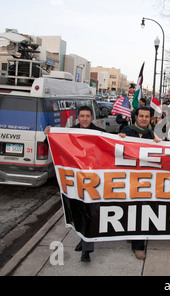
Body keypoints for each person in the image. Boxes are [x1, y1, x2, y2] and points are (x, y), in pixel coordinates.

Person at [44, 105, 105, 262]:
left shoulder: (98, 133)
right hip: (76, 182)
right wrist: (48, 134)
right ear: (78, 117)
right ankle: (82, 239)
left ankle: (86, 249)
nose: (85, 119)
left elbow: (114, 146)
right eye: (82, 116)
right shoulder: (70, 132)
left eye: (87, 116)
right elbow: (50, 143)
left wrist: (121, 137)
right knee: (79, 212)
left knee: (90, 212)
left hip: (94, 182)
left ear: (92, 117)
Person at [118, 106, 161, 259]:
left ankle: (138, 245)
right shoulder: (126, 131)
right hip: (127, 178)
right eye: (141, 116)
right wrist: (118, 138)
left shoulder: (154, 134)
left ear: (151, 118)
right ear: (136, 117)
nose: (144, 119)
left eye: (146, 116)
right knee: (129, 208)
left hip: (146, 180)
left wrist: (161, 144)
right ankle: (131, 233)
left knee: (142, 210)